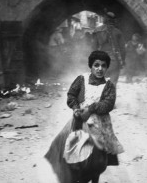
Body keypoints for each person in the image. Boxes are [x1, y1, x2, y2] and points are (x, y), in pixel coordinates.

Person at [43, 50, 124, 183]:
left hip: (99, 123)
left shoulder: (109, 86)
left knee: (98, 157)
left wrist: (91, 108)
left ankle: (95, 176)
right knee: (71, 149)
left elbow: (108, 104)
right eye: (96, 65)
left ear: (107, 68)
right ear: (90, 66)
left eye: (104, 66)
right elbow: (71, 95)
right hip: (80, 121)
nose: (100, 69)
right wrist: (76, 109)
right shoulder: (82, 79)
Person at [92, 12, 126, 86]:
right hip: (114, 60)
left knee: (100, 83)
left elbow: (94, 48)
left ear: (104, 19)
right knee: (113, 83)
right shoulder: (117, 32)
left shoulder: (97, 31)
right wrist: (122, 61)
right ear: (113, 20)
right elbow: (123, 49)